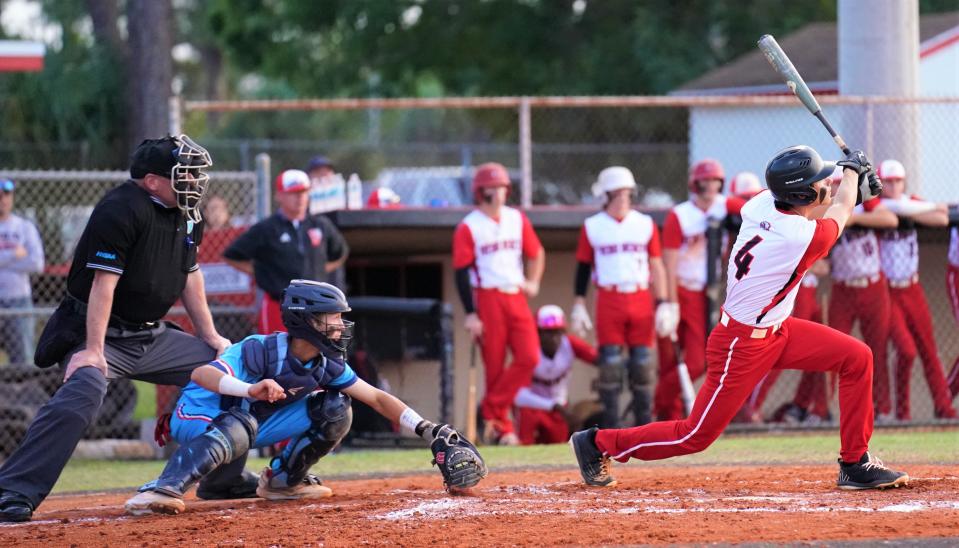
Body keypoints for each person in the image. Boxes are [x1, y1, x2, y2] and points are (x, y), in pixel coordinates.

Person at [570, 145, 910, 491]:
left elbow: (825, 204)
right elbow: (835, 212)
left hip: (779, 330)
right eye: (821, 182)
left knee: (857, 358)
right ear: (802, 194)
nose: (827, 184)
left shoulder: (761, 203)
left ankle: (854, 462)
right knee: (694, 435)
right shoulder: (796, 237)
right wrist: (851, 176)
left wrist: (851, 193)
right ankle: (597, 443)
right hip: (741, 344)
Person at [0, 135, 248, 523]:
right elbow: (104, 285)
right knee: (85, 390)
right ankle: (12, 490)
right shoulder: (120, 209)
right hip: (98, 331)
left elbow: (190, 276)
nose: (196, 181)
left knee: (229, 369)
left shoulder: (187, 213)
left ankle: (222, 477)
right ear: (152, 181)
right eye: (185, 173)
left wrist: (210, 337)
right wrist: (94, 351)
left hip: (151, 335)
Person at [124, 280, 486, 515]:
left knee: (335, 409)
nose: (340, 326)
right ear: (306, 321)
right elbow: (201, 374)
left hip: (243, 424)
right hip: (196, 416)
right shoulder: (259, 350)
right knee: (241, 420)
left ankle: (284, 481)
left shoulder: (325, 363)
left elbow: (375, 398)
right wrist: (251, 389)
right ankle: (163, 489)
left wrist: (426, 429)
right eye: (331, 318)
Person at [570, 166, 671, 428]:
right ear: (605, 196)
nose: (623, 199)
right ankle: (612, 431)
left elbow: (657, 265)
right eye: (617, 194)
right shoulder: (593, 226)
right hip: (609, 297)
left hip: (639, 295)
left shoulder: (644, 224)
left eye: (627, 193)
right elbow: (582, 267)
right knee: (610, 368)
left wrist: (663, 303)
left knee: (642, 366)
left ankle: (644, 428)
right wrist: (579, 302)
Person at [452, 162, 545, 445]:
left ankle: (490, 409)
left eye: (503, 186)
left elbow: (536, 252)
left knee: (529, 356)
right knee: (493, 366)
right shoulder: (469, 225)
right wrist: (471, 314)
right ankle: (502, 430)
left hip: (515, 294)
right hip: (488, 297)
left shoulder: (516, 218)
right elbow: (460, 272)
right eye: (494, 187)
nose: (500, 191)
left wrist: (534, 282)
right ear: (482, 191)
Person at [654, 159, 744, 421]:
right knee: (669, 358)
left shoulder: (724, 204)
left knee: (696, 361)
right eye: (706, 181)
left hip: (706, 294)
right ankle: (667, 417)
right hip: (680, 288)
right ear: (696, 183)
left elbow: (754, 210)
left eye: (716, 181)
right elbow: (669, 262)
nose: (710, 186)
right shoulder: (679, 214)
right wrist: (668, 302)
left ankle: (658, 400)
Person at [876, 159, 956, 420]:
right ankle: (902, 413)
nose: (893, 186)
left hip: (912, 286)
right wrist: (914, 209)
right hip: (888, 291)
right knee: (906, 350)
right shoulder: (876, 204)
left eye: (897, 181)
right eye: (888, 181)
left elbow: (942, 218)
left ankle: (943, 407)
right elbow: (892, 209)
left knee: (928, 349)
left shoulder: (912, 201)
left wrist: (912, 210)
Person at [224, 169, 349, 335]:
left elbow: (340, 252)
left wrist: (318, 269)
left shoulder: (320, 225)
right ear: (279, 196)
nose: (300, 198)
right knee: (276, 352)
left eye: (304, 192)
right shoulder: (267, 228)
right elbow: (232, 255)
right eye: (293, 193)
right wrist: (262, 273)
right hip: (280, 305)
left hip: (316, 307)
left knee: (318, 352)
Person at [824, 166, 899, 421]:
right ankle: (824, 410)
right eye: (831, 184)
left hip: (872, 286)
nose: (835, 188)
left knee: (877, 348)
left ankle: (884, 409)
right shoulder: (824, 211)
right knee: (831, 349)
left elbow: (890, 220)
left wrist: (853, 218)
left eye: (839, 183)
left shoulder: (863, 203)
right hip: (842, 287)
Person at [514, 305, 597, 444]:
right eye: (548, 333)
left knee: (557, 444)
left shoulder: (569, 343)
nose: (554, 338)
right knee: (525, 443)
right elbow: (518, 396)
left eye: (558, 332)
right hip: (531, 407)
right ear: (537, 333)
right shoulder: (528, 350)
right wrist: (554, 406)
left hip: (559, 408)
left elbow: (599, 359)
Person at [0, 178, 44, 365]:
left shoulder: (24, 227)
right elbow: (25, 258)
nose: (2, 200)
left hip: (19, 300)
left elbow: (36, 264)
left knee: (22, 360)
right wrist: (14, 255)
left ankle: (21, 394)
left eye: (6, 195)